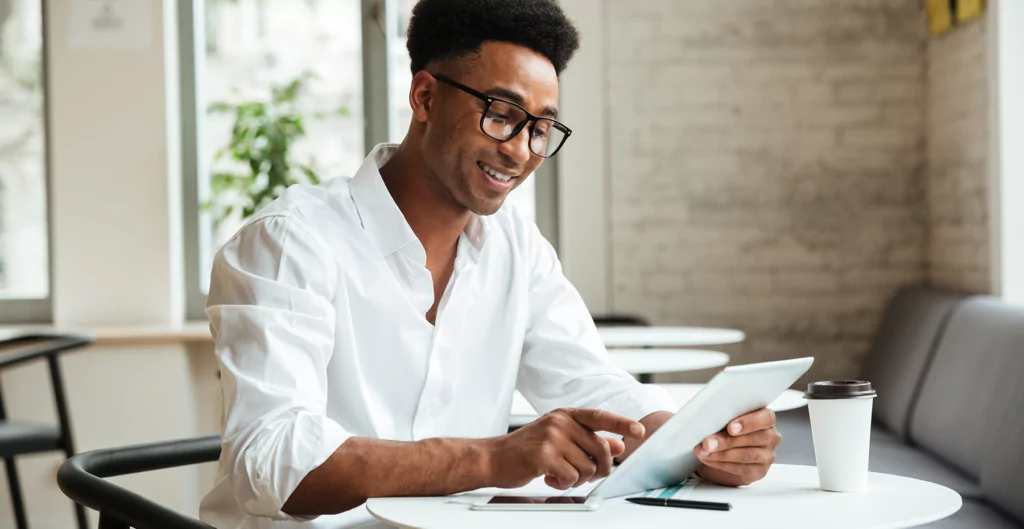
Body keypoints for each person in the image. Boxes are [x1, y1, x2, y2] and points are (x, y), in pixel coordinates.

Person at [199, 0, 781, 527]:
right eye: (502, 114)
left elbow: (591, 384)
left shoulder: (516, 247)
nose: (521, 150)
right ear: (425, 97)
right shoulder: (289, 243)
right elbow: (273, 462)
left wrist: (703, 445)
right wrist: (493, 457)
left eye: (541, 128)